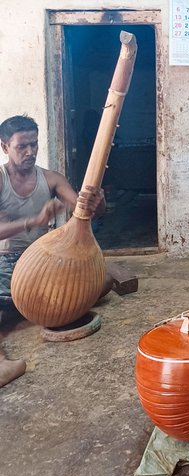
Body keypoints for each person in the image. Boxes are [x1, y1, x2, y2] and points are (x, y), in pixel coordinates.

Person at [0, 114, 105, 388]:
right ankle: (1, 363)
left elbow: (84, 211)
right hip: (6, 261)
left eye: (33, 144)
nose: (30, 152)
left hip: (42, 261)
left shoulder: (50, 179)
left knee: (101, 282)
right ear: (4, 147)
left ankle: (27, 305)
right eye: (22, 146)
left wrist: (97, 202)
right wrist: (33, 221)